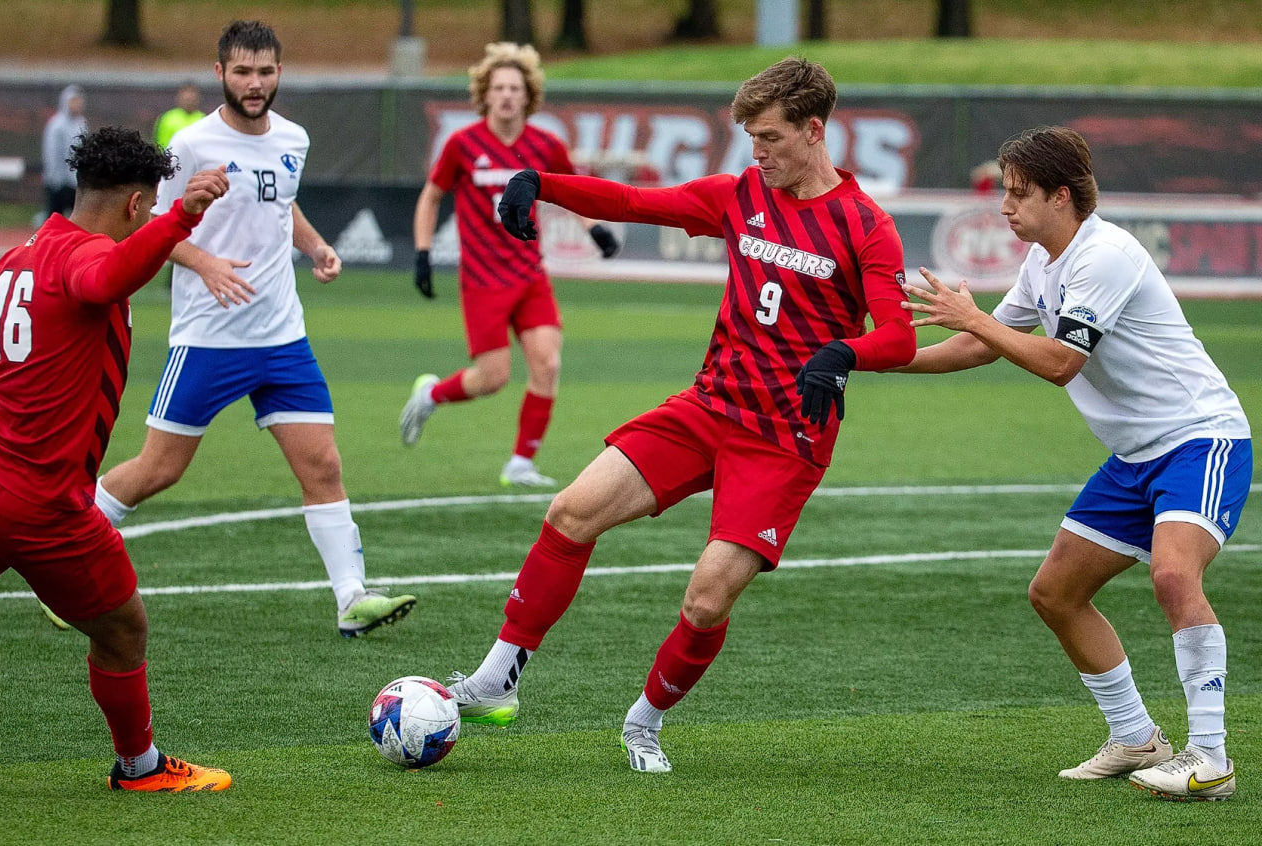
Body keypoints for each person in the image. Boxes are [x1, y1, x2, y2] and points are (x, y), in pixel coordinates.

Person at [442, 57, 916, 773]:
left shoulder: (865, 226)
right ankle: (494, 679)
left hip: (785, 440)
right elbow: (634, 203)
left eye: (770, 137)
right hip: (708, 409)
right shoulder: (742, 194)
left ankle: (643, 723)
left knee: (704, 601)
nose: (757, 152)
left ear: (815, 131)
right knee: (571, 511)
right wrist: (542, 186)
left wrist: (844, 354)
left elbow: (900, 335)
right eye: (750, 139)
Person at [895, 126, 1250, 802]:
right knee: (1055, 593)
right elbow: (984, 348)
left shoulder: (1105, 255)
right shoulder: (1043, 263)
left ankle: (1211, 759)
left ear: (1062, 197)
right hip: (1136, 456)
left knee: (1175, 576)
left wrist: (974, 319)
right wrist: (868, 360)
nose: (1005, 207)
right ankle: (1137, 737)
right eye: (1005, 192)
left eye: (1018, 193)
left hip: (1201, 440)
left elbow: (1060, 362)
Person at [93, 20, 416, 639]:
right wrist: (206, 261)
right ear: (220, 74)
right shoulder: (190, 143)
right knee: (159, 470)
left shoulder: (294, 138)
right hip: (208, 339)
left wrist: (318, 246)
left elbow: (280, 201)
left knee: (322, 465)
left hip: (282, 338)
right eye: (242, 72)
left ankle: (351, 598)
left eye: (265, 71)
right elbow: (143, 230)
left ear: (278, 74)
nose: (254, 83)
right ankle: (67, 567)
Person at [0, 125, 232, 791]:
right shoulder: (85, 260)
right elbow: (107, 278)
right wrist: (186, 212)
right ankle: (140, 767)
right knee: (124, 630)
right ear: (135, 205)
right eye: (150, 207)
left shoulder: (18, 259)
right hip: (45, 504)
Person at [399, 41, 619, 489]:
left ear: (528, 95)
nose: (505, 96)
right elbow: (431, 195)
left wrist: (593, 228)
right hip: (482, 280)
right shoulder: (462, 144)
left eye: (514, 88)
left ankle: (520, 463)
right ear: (485, 93)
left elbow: (571, 191)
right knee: (492, 378)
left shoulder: (545, 145)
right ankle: (432, 394)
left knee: (548, 365)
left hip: (530, 276)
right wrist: (422, 253)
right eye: (497, 87)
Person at [41, 84, 87, 221]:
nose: (77, 105)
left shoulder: (81, 123)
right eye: (74, 101)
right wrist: (54, 178)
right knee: (55, 218)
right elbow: (51, 153)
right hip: (58, 181)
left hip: (75, 182)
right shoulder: (56, 125)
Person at [154, 82, 204, 148]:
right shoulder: (167, 118)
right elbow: (159, 143)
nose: (189, 100)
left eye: (192, 96)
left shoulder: (203, 119)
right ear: (179, 97)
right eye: (186, 97)